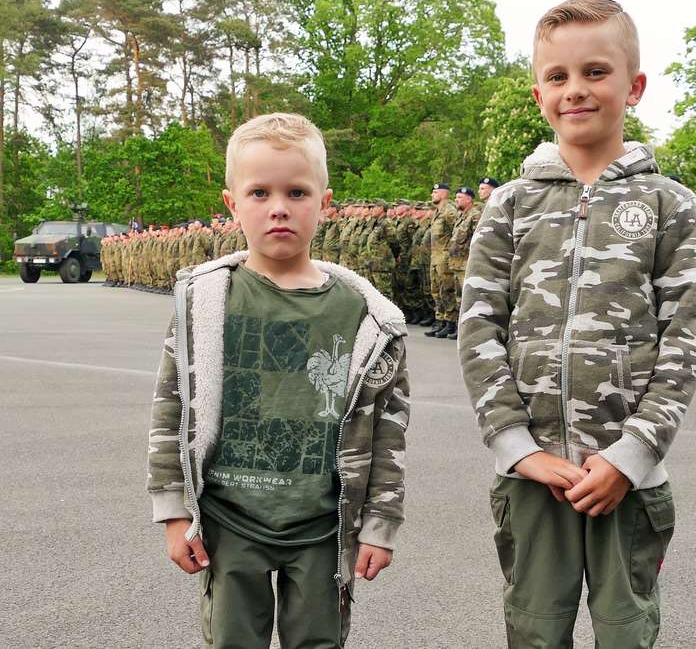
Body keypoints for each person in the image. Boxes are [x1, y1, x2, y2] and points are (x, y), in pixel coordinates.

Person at [457, 0, 696, 648]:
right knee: (535, 632)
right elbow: (480, 325)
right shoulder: (511, 205)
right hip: (535, 476)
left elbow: (683, 335)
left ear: (635, 85)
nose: (576, 90)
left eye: (596, 72)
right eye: (558, 76)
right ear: (538, 90)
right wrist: (518, 447)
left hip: (627, 477)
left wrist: (633, 454)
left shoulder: (668, 204)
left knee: (628, 632)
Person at [145, 113, 410, 647]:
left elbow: (388, 431)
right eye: (260, 192)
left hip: (322, 526)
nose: (279, 207)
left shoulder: (370, 318)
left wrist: (378, 525)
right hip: (230, 521)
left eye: (297, 191)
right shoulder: (203, 302)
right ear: (231, 204)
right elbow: (171, 408)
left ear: (325, 202)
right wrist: (173, 511)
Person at [446, 187, 481, 341]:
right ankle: (459, 327)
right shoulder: (461, 215)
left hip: (466, 263)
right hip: (456, 263)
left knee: (467, 298)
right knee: (458, 297)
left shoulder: (474, 215)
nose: (456, 200)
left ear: (469, 199)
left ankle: (468, 329)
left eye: (460, 197)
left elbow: (477, 240)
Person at [427, 183, 458, 338]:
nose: (432, 195)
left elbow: (457, 232)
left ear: (444, 194)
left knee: (447, 290)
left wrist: (452, 253)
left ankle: (451, 322)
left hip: (445, 258)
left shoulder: (449, 211)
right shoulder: (437, 211)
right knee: (436, 290)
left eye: (435, 192)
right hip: (435, 257)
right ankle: (440, 320)